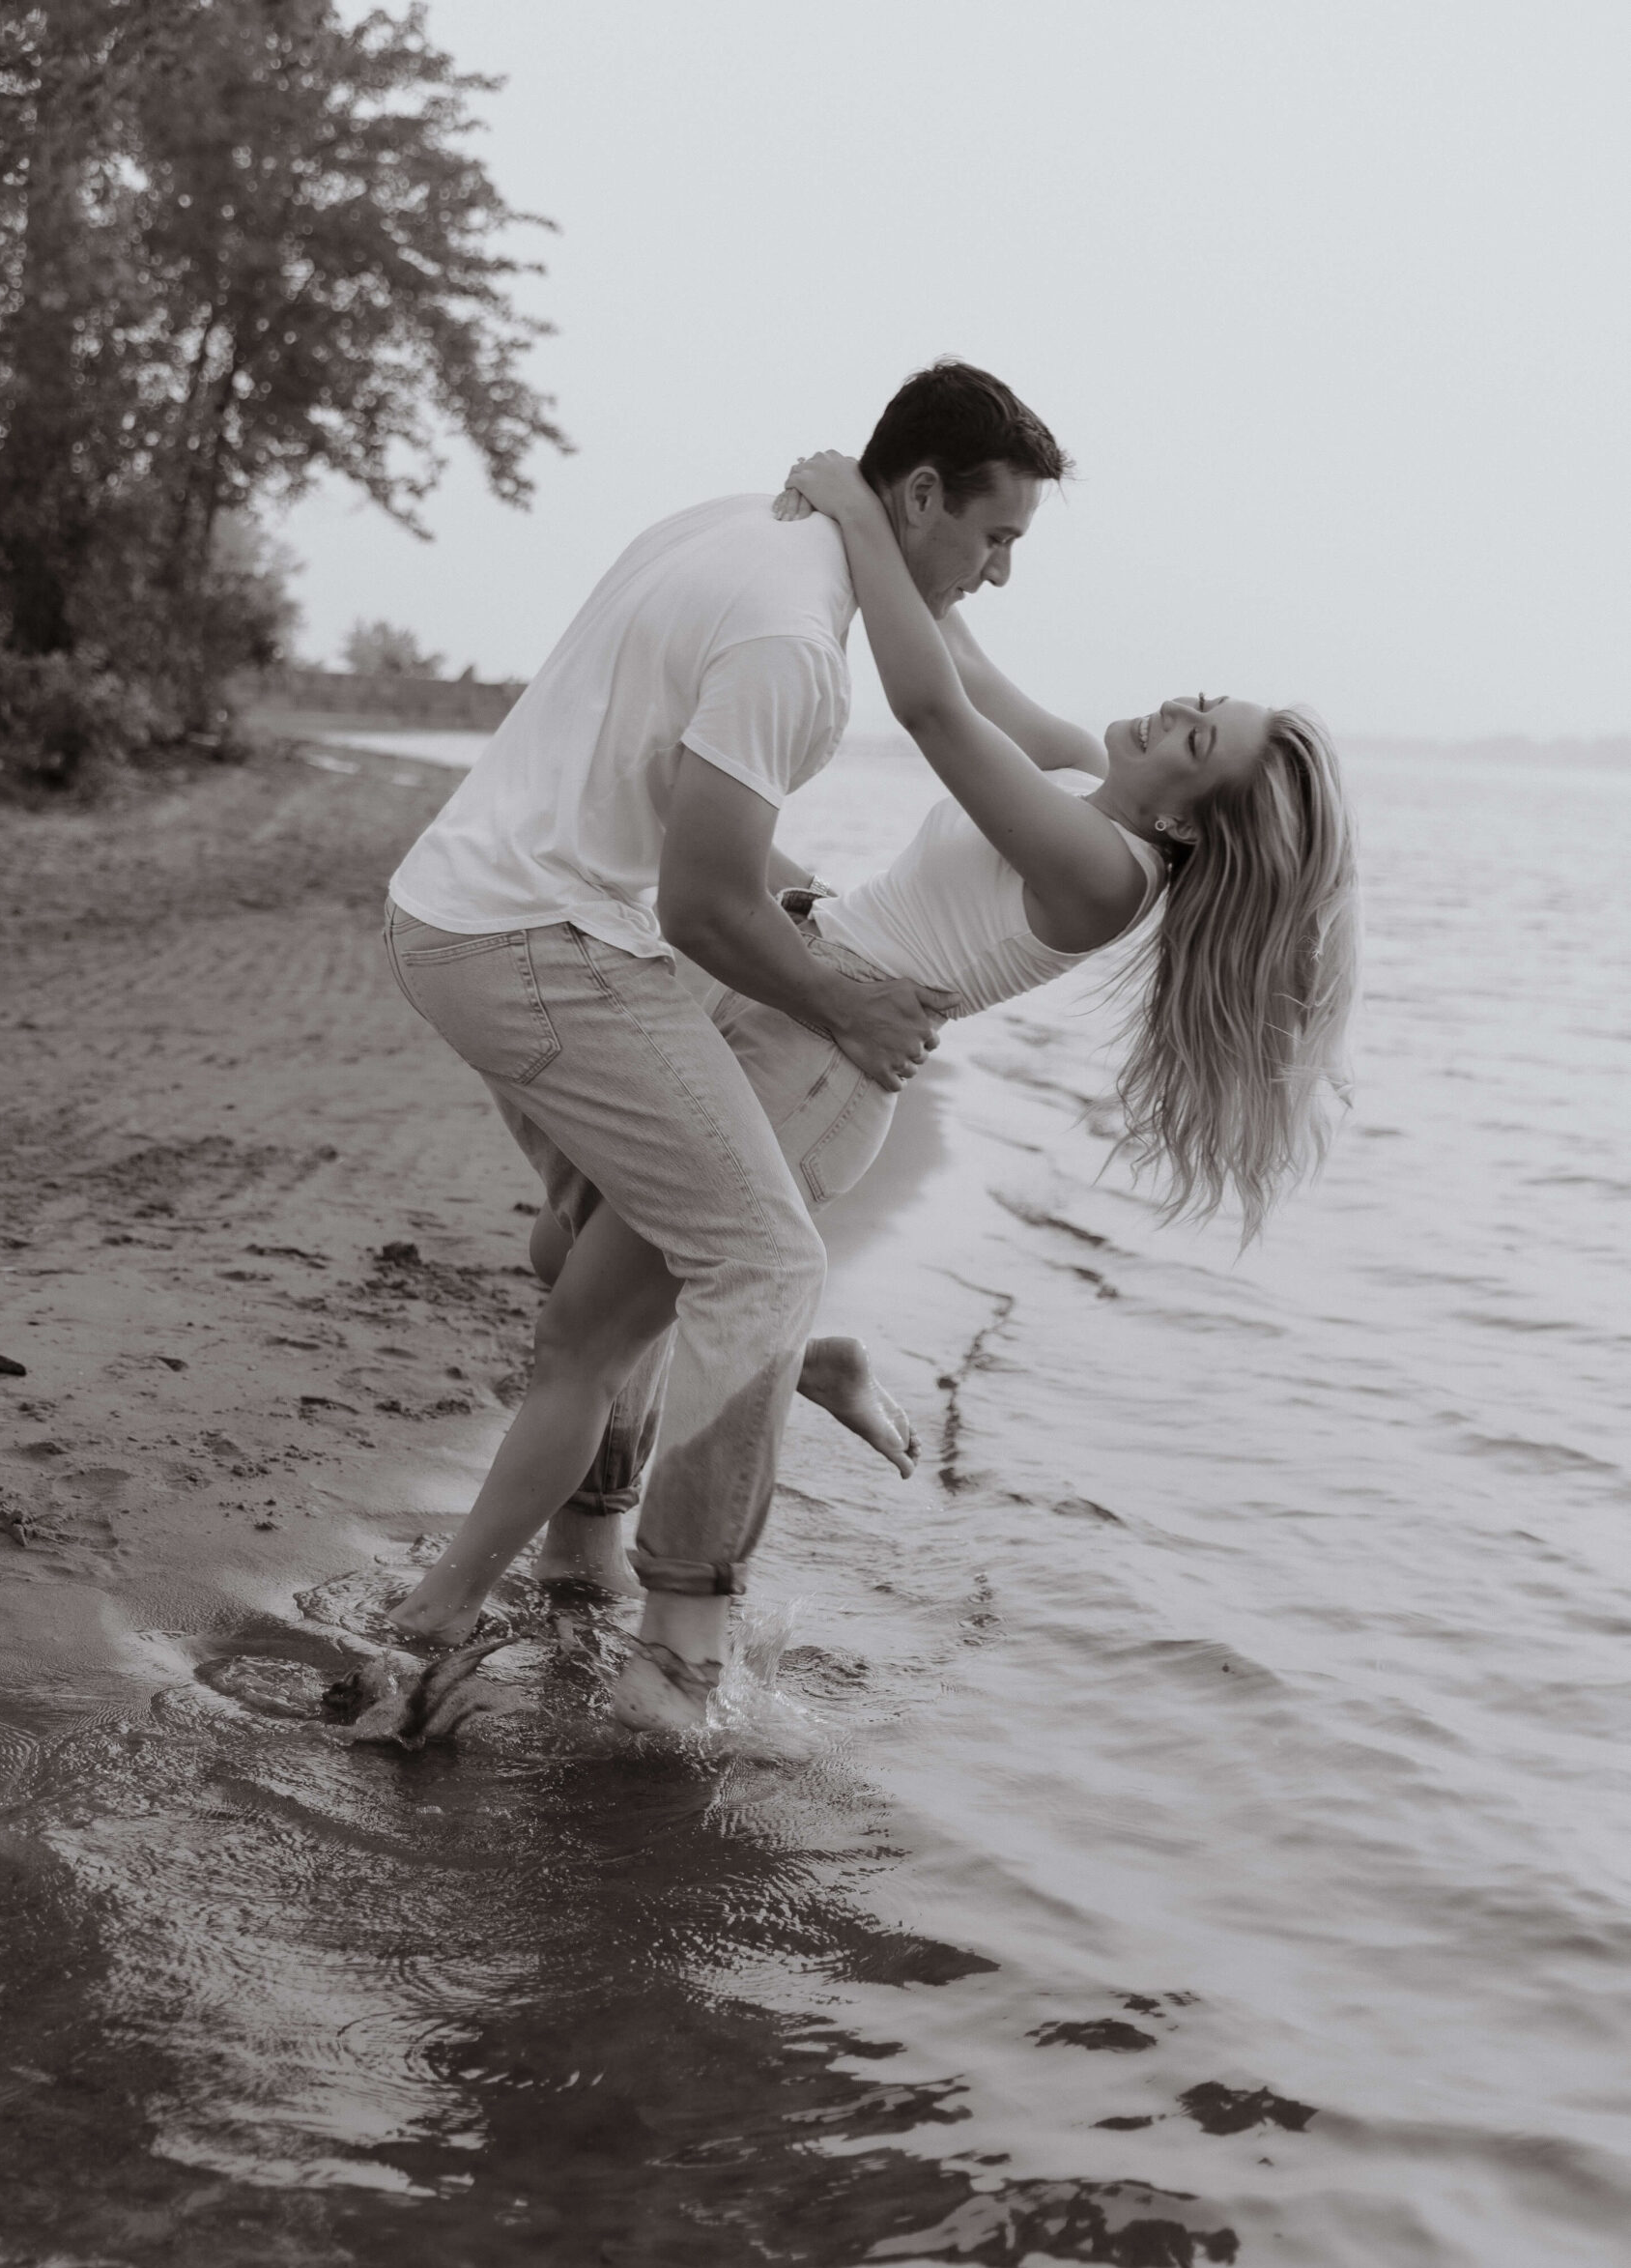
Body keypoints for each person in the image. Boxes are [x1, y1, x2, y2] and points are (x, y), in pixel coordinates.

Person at [368, 453, 1359, 1747]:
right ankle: (755, 1401)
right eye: (1201, 699)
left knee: (588, 1328)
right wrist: (901, 516)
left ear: (1198, 818)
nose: (1176, 708)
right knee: (578, 1258)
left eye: (1197, 735)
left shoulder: (1108, 870)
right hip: (782, 1000)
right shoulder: (1082, 778)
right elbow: (967, 657)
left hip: (823, 1067)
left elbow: (937, 711)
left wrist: (849, 512)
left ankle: (605, 1632)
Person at [376, 364, 1073, 1732]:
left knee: (599, 1261)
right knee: (762, 1259)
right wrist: (846, 1007)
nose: (996, 576)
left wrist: (796, 909)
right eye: (995, 540)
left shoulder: (734, 524)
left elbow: (658, 795)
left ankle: (531, 1570)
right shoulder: (795, 650)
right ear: (922, 494)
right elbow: (704, 903)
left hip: (454, 901)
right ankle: (661, 1645)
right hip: (536, 949)